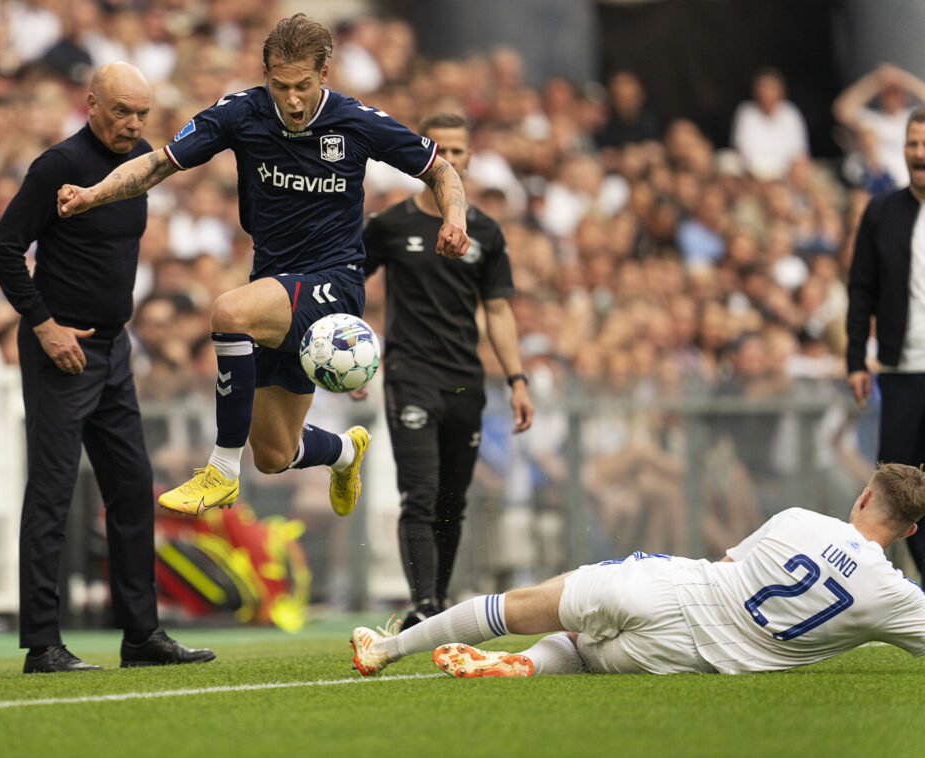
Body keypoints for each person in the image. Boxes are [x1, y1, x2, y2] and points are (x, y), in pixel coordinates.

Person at [54, 14, 470, 522]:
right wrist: (94, 192)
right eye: (280, 85)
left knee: (229, 313)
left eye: (303, 86)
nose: (291, 100)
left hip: (332, 283)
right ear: (265, 74)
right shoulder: (242, 113)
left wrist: (454, 218)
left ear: (325, 74)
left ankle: (222, 471)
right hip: (273, 281)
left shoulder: (357, 122)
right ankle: (344, 452)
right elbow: (160, 162)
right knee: (275, 454)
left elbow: (440, 169)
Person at [0, 62, 215, 673]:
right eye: (121, 110)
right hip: (61, 350)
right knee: (54, 496)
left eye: (141, 112)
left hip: (114, 351)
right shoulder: (59, 165)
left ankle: (141, 635)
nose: (133, 123)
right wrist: (44, 324)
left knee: (133, 492)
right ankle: (42, 645)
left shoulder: (140, 162)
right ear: (91, 104)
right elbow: (3, 247)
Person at [350, 462, 925, 678]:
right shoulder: (893, 597)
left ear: (864, 498)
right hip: (686, 660)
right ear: (908, 532)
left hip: (672, 589)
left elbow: (726, 563)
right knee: (577, 649)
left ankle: (386, 650)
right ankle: (523, 667)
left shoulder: (800, 519)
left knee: (520, 605)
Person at [361, 112, 534, 628]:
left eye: (458, 151)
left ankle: (435, 602)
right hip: (410, 373)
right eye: (441, 150)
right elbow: (352, 287)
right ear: (423, 157)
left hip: (465, 379)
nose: (450, 159)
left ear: (469, 159)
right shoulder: (390, 226)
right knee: (419, 492)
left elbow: (499, 310)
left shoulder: (485, 230)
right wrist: (350, 364)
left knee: (451, 500)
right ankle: (424, 606)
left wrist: (518, 380)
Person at [847, 107, 925, 582]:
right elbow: (861, 287)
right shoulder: (882, 212)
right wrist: (856, 357)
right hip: (900, 373)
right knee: (899, 493)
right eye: (913, 144)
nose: (921, 154)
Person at [833, 63, 925, 188]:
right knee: (868, 135)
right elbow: (841, 109)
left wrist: (903, 79)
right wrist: (877, 81)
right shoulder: (873, 119)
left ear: (904, 95)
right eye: (888, 93)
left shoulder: (912, 116)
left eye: (896, 92)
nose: (892, 98)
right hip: (883, 184)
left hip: (915, 182)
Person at [731, 67, 809, 181]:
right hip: (755, 176)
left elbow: (799, 152)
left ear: (780, 93)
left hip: (788, 175)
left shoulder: (790, 113)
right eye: (764, 90)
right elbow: (741, 151)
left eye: (771, 89)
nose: (767, 95)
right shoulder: (746, 113)